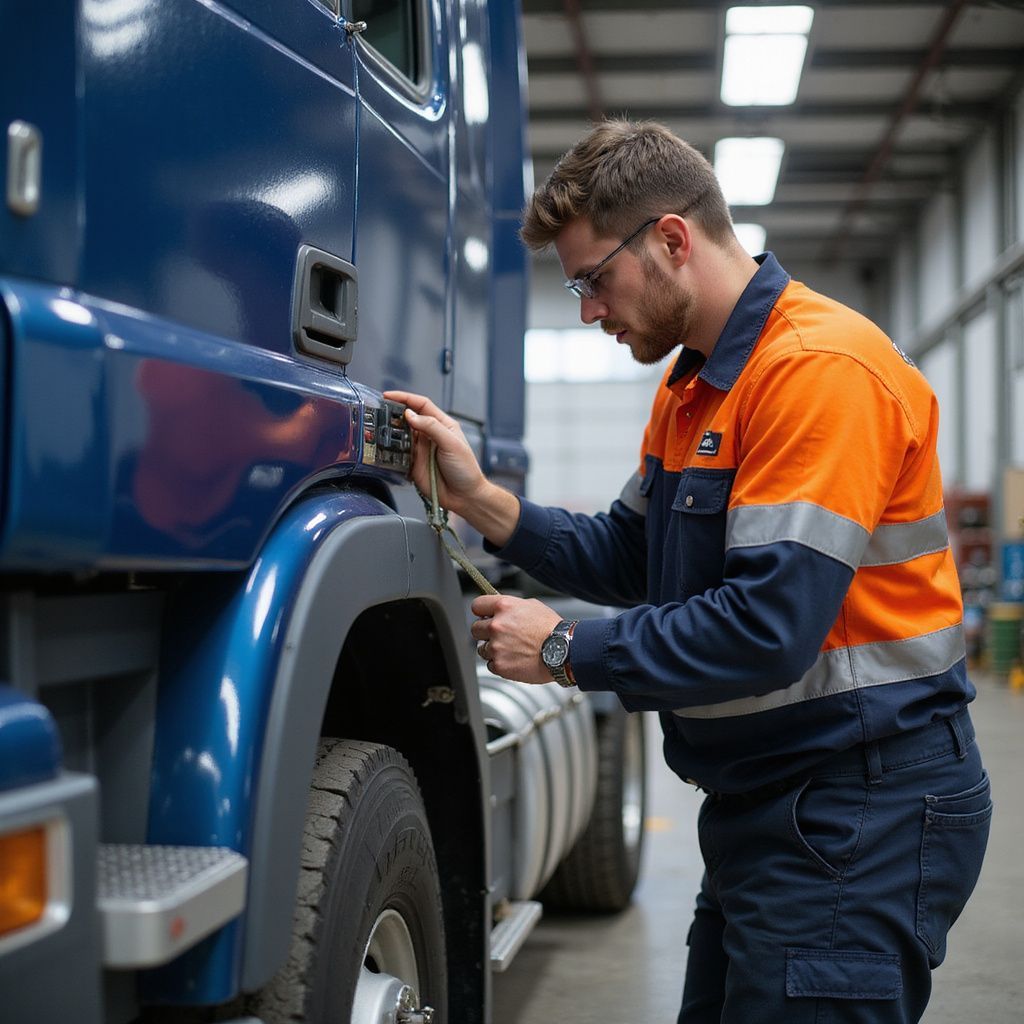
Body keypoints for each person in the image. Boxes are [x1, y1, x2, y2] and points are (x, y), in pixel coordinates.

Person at [385, 119, 991, 1024]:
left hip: (861, 806)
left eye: (595, 280)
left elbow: (766, 628)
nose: (589, 310)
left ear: (671, 238)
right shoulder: (695, 384)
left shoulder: (817, 371)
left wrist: (564, 650)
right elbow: (636, 555)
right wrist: (480, 501)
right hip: (770, 804)